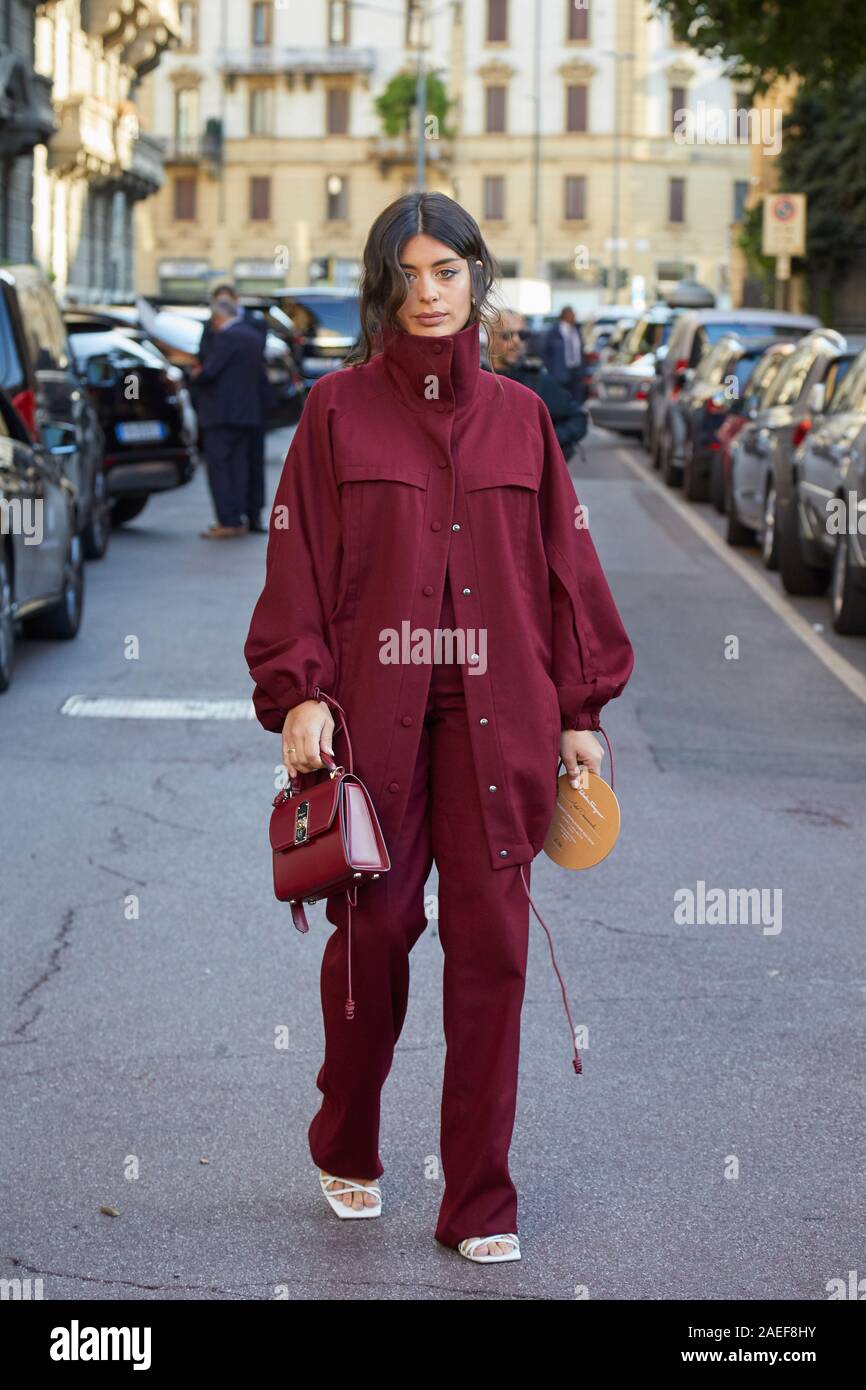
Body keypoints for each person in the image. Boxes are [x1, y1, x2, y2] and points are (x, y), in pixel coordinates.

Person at [243, 192, 634, 1264]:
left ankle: (478, 1199)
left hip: (498, 720)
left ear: (475, 280)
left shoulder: (519, 419)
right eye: (407, 275)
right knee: (373, 938)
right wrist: (301, 689)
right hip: (374, 718)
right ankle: (347, 1133)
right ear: (384, 286)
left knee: (493, 947)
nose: (427, 294)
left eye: (446, 272)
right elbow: (300, 562)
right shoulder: (333, 410)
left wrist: (581, 713)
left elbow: (564, 570)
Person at [191, 297, 268, 539]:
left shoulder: (225, 337)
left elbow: (210, 372)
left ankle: (227, 520)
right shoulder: (253, 335)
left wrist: (195, 374)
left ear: (218, 317)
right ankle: (241, 517)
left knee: (220, 469)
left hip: (220, 414)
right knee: (240, 467)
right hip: (247, 414)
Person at [486, 308, 588, 456]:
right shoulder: (471, 380)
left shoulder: (538, 380)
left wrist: (547, 440)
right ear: (490, 337)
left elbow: (578, 417)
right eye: (507, 335)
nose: (516, 341)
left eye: (522, 335)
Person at [541, 305, 586, 404]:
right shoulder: (554, 331)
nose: (574, 316)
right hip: (559, 372)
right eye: (572, 314)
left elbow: (581, 350)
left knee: (576, 400)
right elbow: (545, 351)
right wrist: (551, 368)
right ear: (565, 315)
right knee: (561, 399)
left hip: (576, 371)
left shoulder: (576, 330)